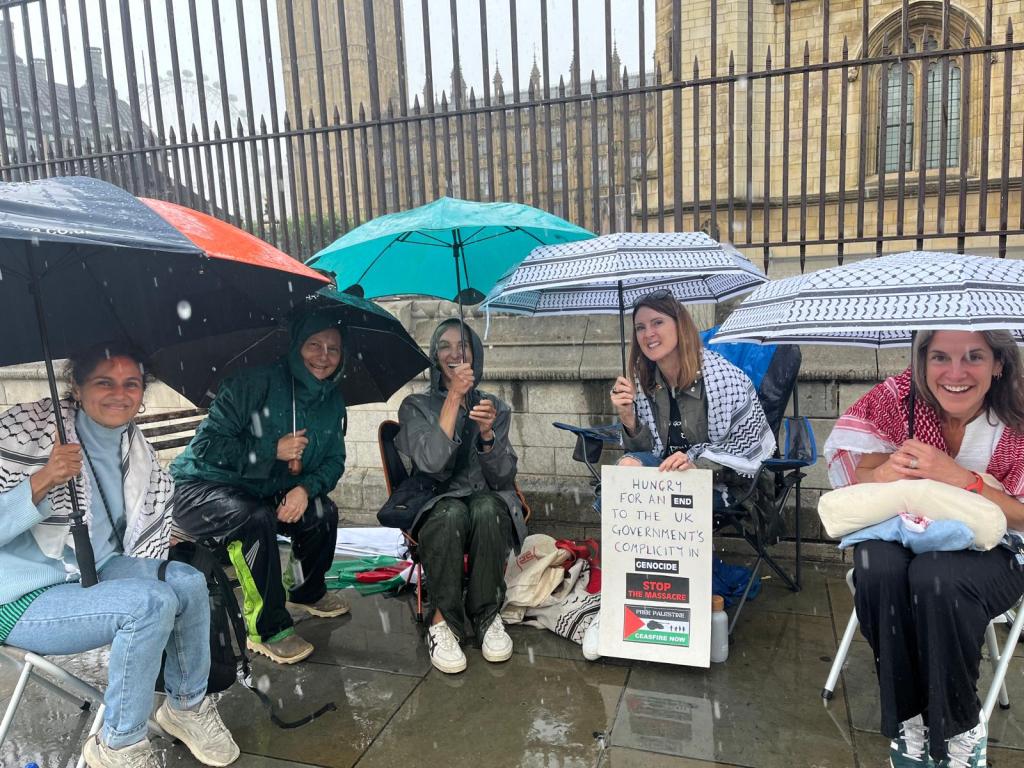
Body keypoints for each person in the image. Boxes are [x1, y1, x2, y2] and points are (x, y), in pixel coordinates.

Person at [0, 343, 239, 768]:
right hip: (19, 594)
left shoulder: (133, 445)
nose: (119, 393)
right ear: (76, 385)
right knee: (149, 605)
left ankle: (185, 707)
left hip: (93, 569)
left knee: (187, 581)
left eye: (131, 383)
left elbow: (136, 521)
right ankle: (118, 744)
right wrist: (43, 479)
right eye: (104, 382)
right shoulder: (25, 430)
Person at [824, 330, 1024, 768]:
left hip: (997, 547)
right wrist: (889, 470)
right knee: (876, 567)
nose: (955, 373)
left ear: (998, 364)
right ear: (922, 361)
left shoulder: (1017, 418)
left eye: (973, 356)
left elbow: (1020, 516)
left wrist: (958, 477)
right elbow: (860, 469)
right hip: (907, 530)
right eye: (939, 358)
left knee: (937, 578)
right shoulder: (900, 399)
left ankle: (958, 727)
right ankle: (910, 719)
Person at [171, 312, 349, 665]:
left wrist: (305, 489)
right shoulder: (251, 383)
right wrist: (271, 450)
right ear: (297, 346)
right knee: (253, 520)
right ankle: (266, 629)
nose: (323, 356)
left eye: (333, 348)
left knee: (322, 513)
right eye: (314, 344)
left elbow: (334, 462)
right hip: (203, 487)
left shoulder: (332, 401)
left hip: (265, 490)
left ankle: (306, 591)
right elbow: (209, 448)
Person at [395, 318, 527, 674]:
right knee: (451, 513)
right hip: (435, 502)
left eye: (463, 346)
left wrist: (487, 435)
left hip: (483, 498)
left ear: (476, 355)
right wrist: (453, 399)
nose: (454, 353)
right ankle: (443, 621)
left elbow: (503, 476)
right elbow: (430, 463)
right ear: (434, 356)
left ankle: (486, 616)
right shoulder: (415, 407)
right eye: (444, 346)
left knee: (487, 508)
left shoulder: (494, 406)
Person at [609, 290, 775, 496]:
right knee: (627, 468)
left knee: (676, 486)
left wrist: (696, 465)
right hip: (663, 477)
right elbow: (643, 451)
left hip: (718, 481)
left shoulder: (723, 377)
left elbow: (747, 450)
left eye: (657, 322)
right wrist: (628, 418)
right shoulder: (640, 382)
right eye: (640, 327)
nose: (647, 333)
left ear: (680, 326)